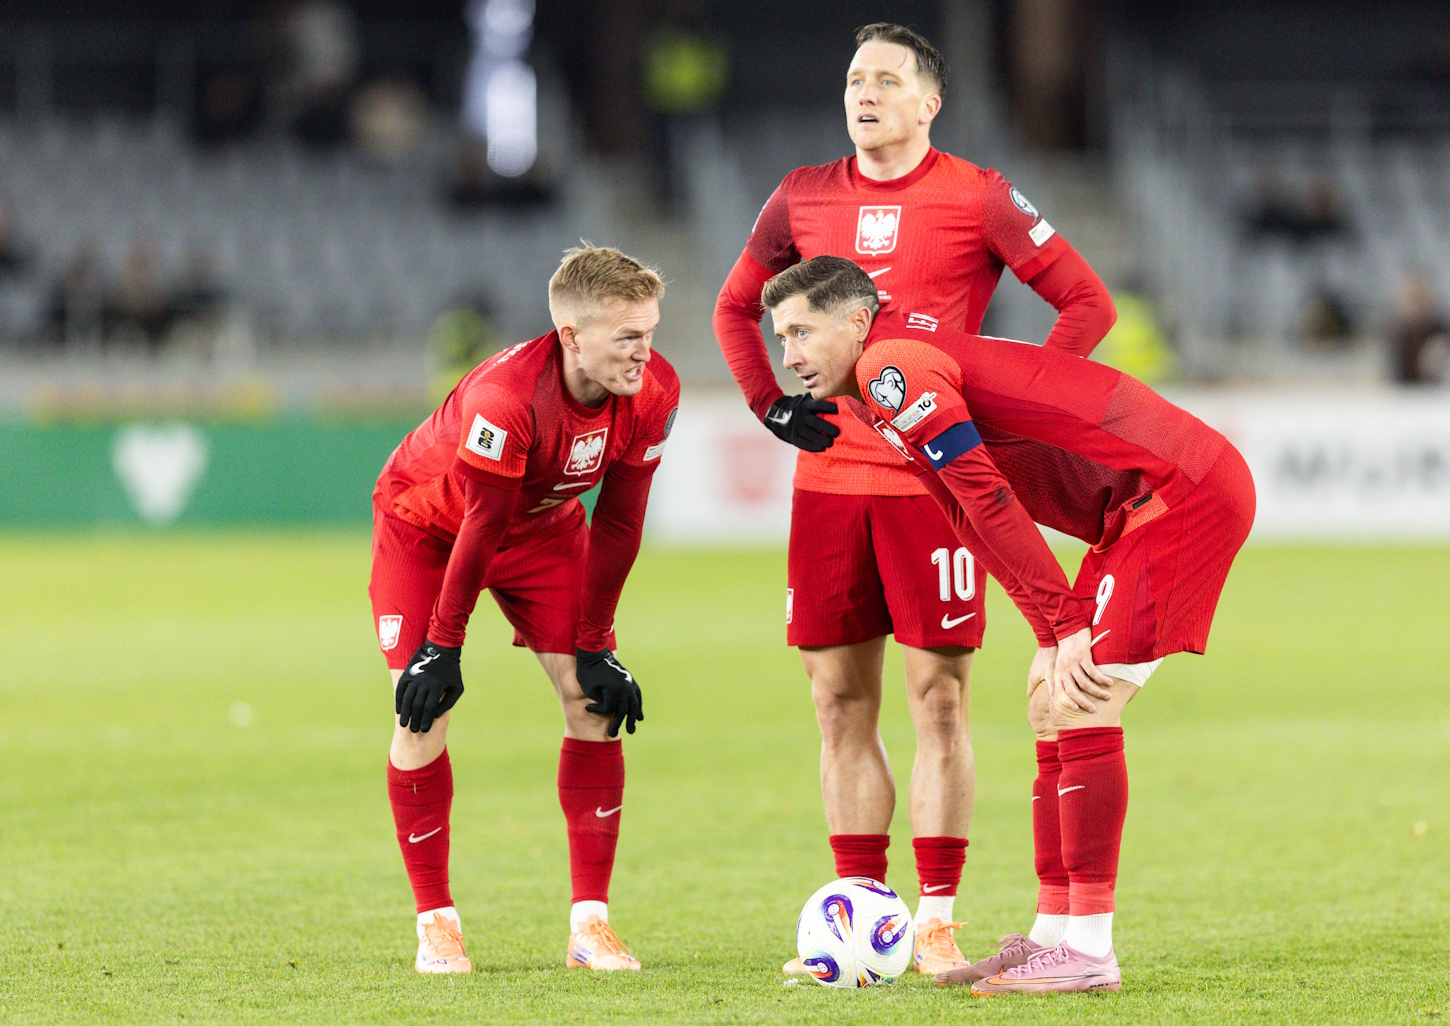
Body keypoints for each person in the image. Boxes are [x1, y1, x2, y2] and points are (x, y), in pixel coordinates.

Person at [712, 22, 1116, 975]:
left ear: (929, 102)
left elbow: (1087, 303)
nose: (865, 93)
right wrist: (770, 404)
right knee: (835, 701)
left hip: (929, 485)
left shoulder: (976, 195)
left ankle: (935, 917)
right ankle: (859, 908)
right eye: (855, 78)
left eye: (888, 81)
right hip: (827, 489)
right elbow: (736, 304)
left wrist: (1010, 414)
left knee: (938, 701)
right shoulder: (801, 195)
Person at [760, 256, 1254, 994]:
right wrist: (1048, 629)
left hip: (1179, 493)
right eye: (780, 336)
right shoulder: (877, 383)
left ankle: (1089, 948)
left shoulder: (893, 370)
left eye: (802, 331)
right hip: (1129, 512)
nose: (789, 355)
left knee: (1086, 697)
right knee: (1049, 703)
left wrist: (1063, 624)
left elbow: (988, 500)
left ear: (857, 322)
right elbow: (962, 510)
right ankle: (1052, 935)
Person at [369, 245, 680, 974]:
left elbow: (620, 524)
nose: (645, 352)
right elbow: (477, 524)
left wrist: (599, 644)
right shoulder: (507, 396)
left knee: (593, 702)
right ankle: (436, 923)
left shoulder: (654, 391)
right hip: (429, 529)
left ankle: (590, 925)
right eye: (627, 336)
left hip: (542, 528)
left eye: (651, 331)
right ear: (572, 337)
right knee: (422, 711)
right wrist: (442, 648)